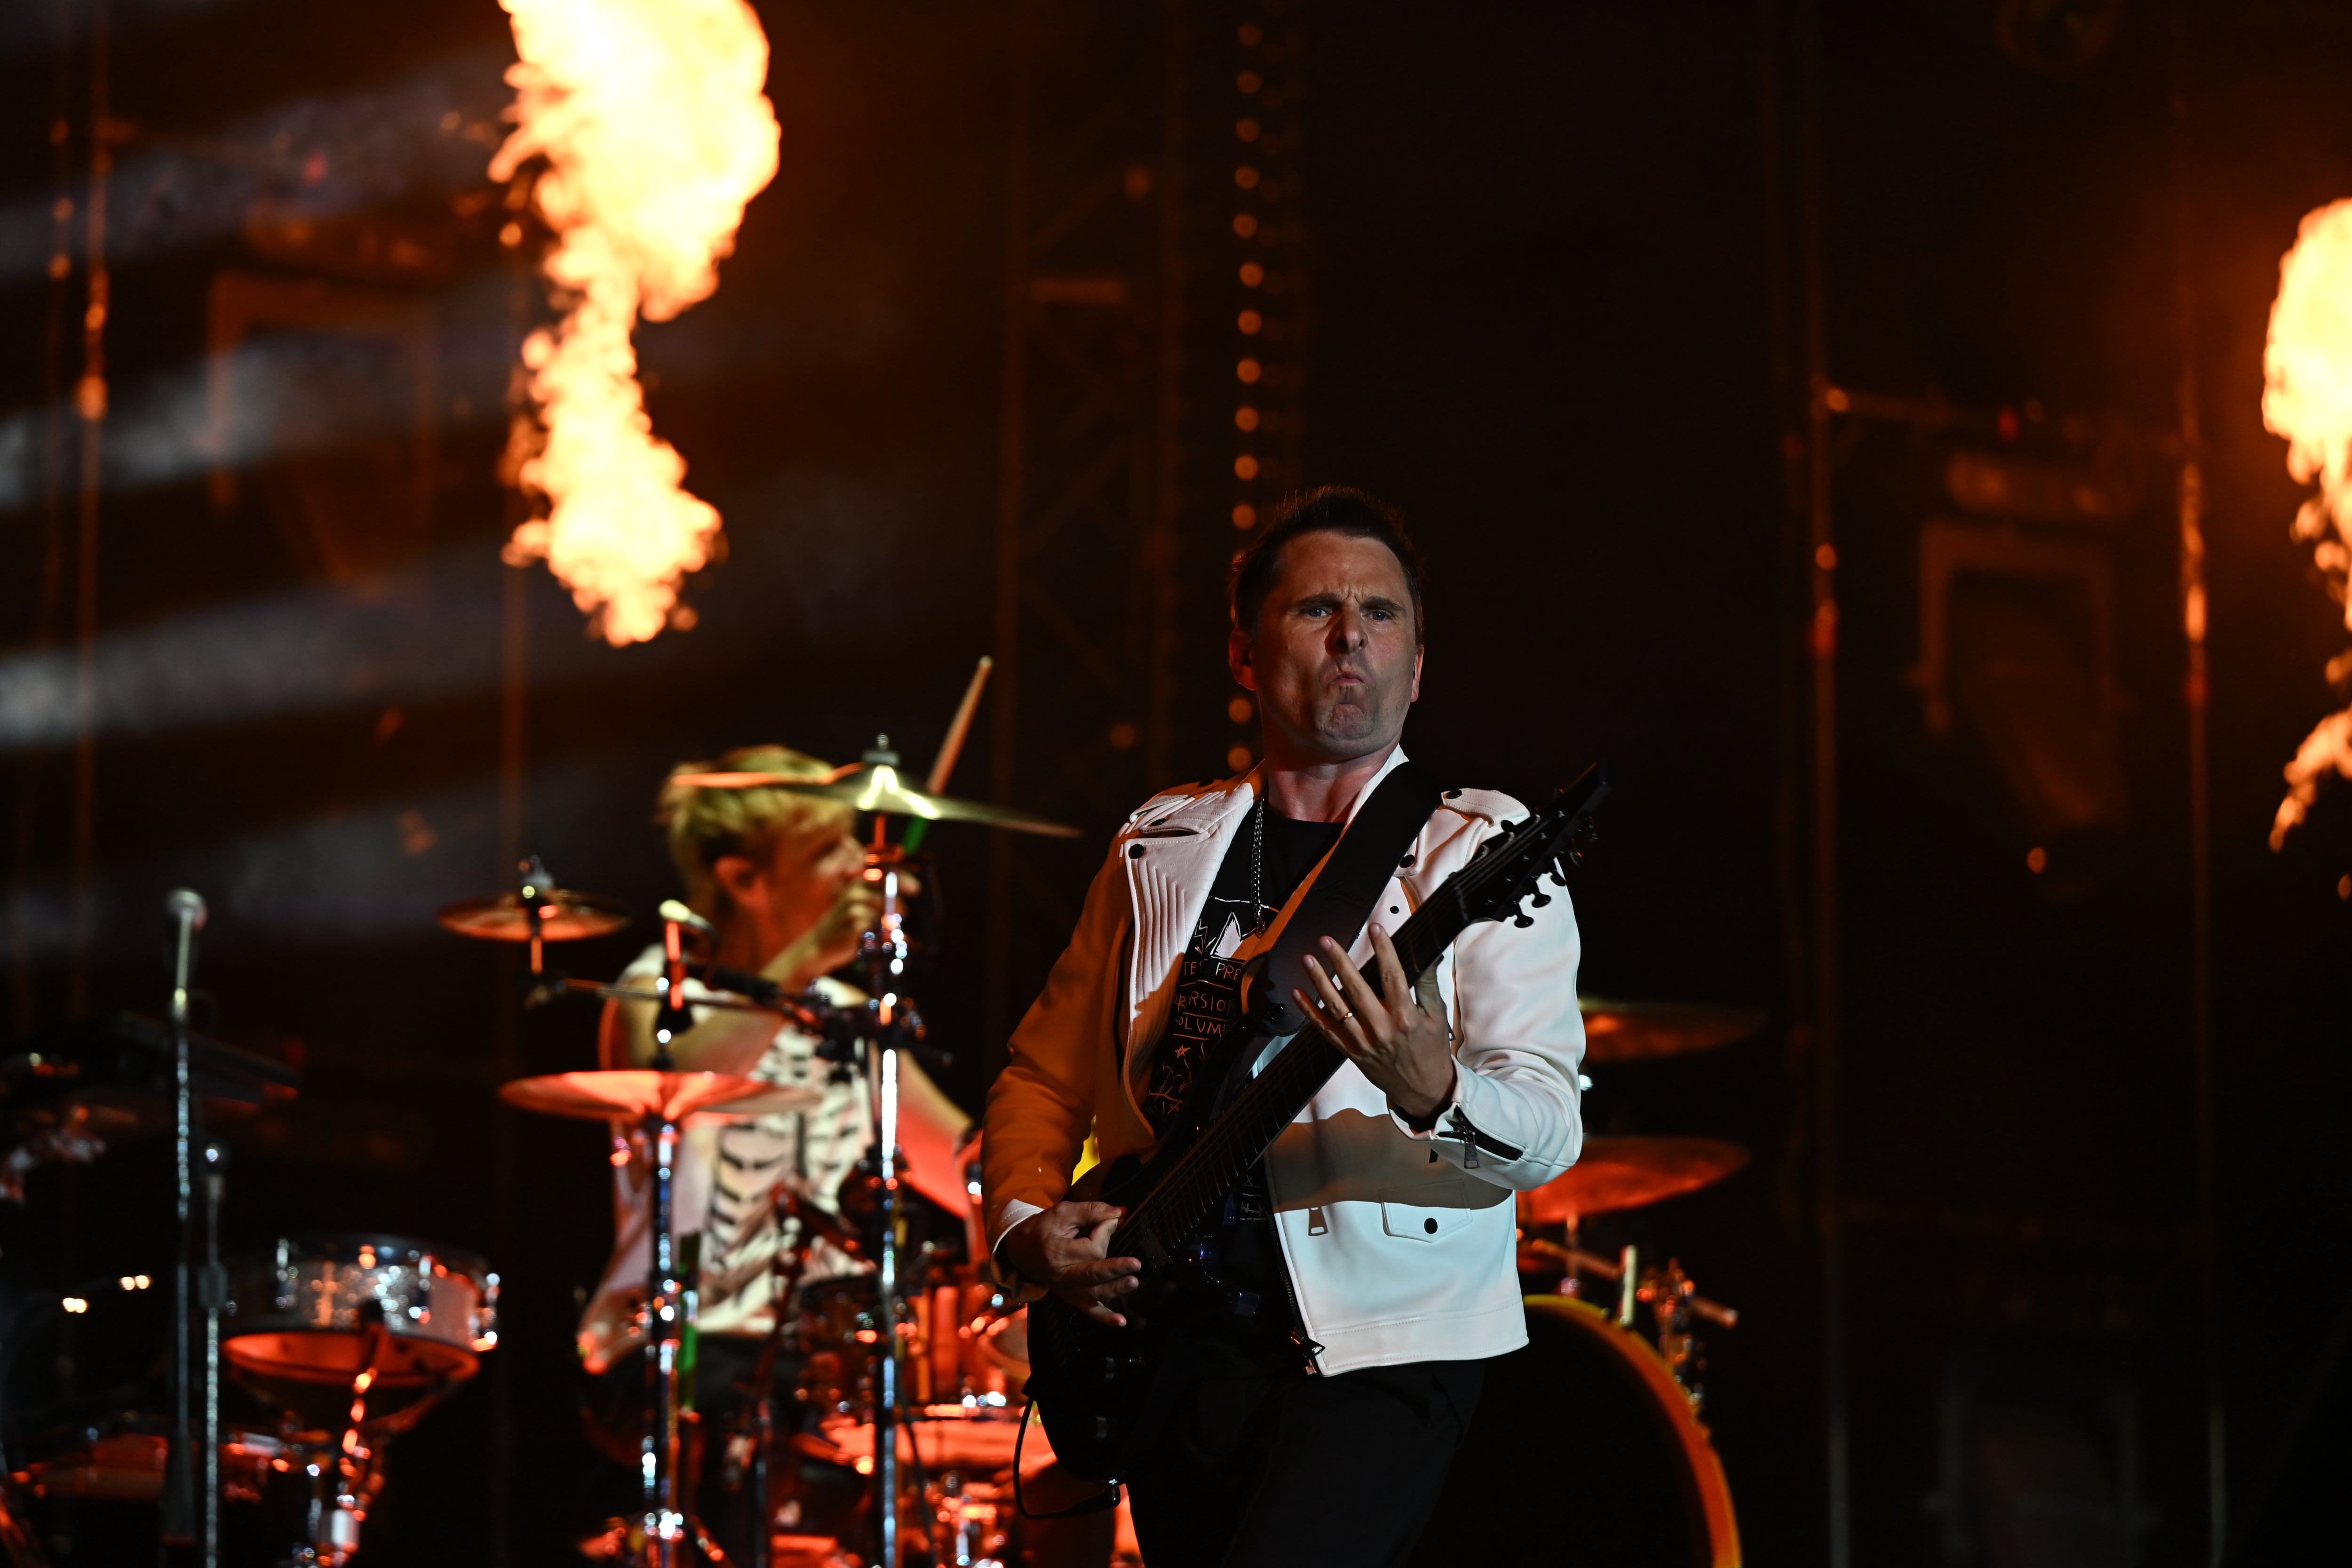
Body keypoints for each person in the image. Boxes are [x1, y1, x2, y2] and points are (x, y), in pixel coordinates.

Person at [982, 488, 1586, 1567]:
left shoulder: (1475, 851)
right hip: (1167, 1343)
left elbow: (1547, 1128)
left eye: (1381, 612)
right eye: (1315, 609)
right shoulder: (1157, 844)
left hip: (1379, 1354)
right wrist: (1027, 1221)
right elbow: (1041, 1070)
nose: (1352, 634)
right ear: (1244, 654)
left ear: (1417, 661)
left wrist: (1435, 1087)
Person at [577, 746, 971, 1561]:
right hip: (685, 1346)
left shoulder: (855, 1015)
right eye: (826, 849)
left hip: (824, 1362)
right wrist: (808, 966)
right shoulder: (662, 988)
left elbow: (965, 1164)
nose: (855, 865)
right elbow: (677, 1078)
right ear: (744, 878)